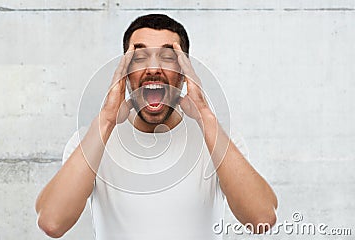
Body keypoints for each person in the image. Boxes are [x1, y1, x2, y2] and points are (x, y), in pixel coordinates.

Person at [35, 14, 278, 239]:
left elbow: (262, 219)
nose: (152, 69)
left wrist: (205, 115)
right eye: (139, 58)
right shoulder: (91, 140)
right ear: (126, 73)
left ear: (184, 73)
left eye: (168, 57)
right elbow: (52, 222)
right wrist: (107, 119)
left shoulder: (218, 139)